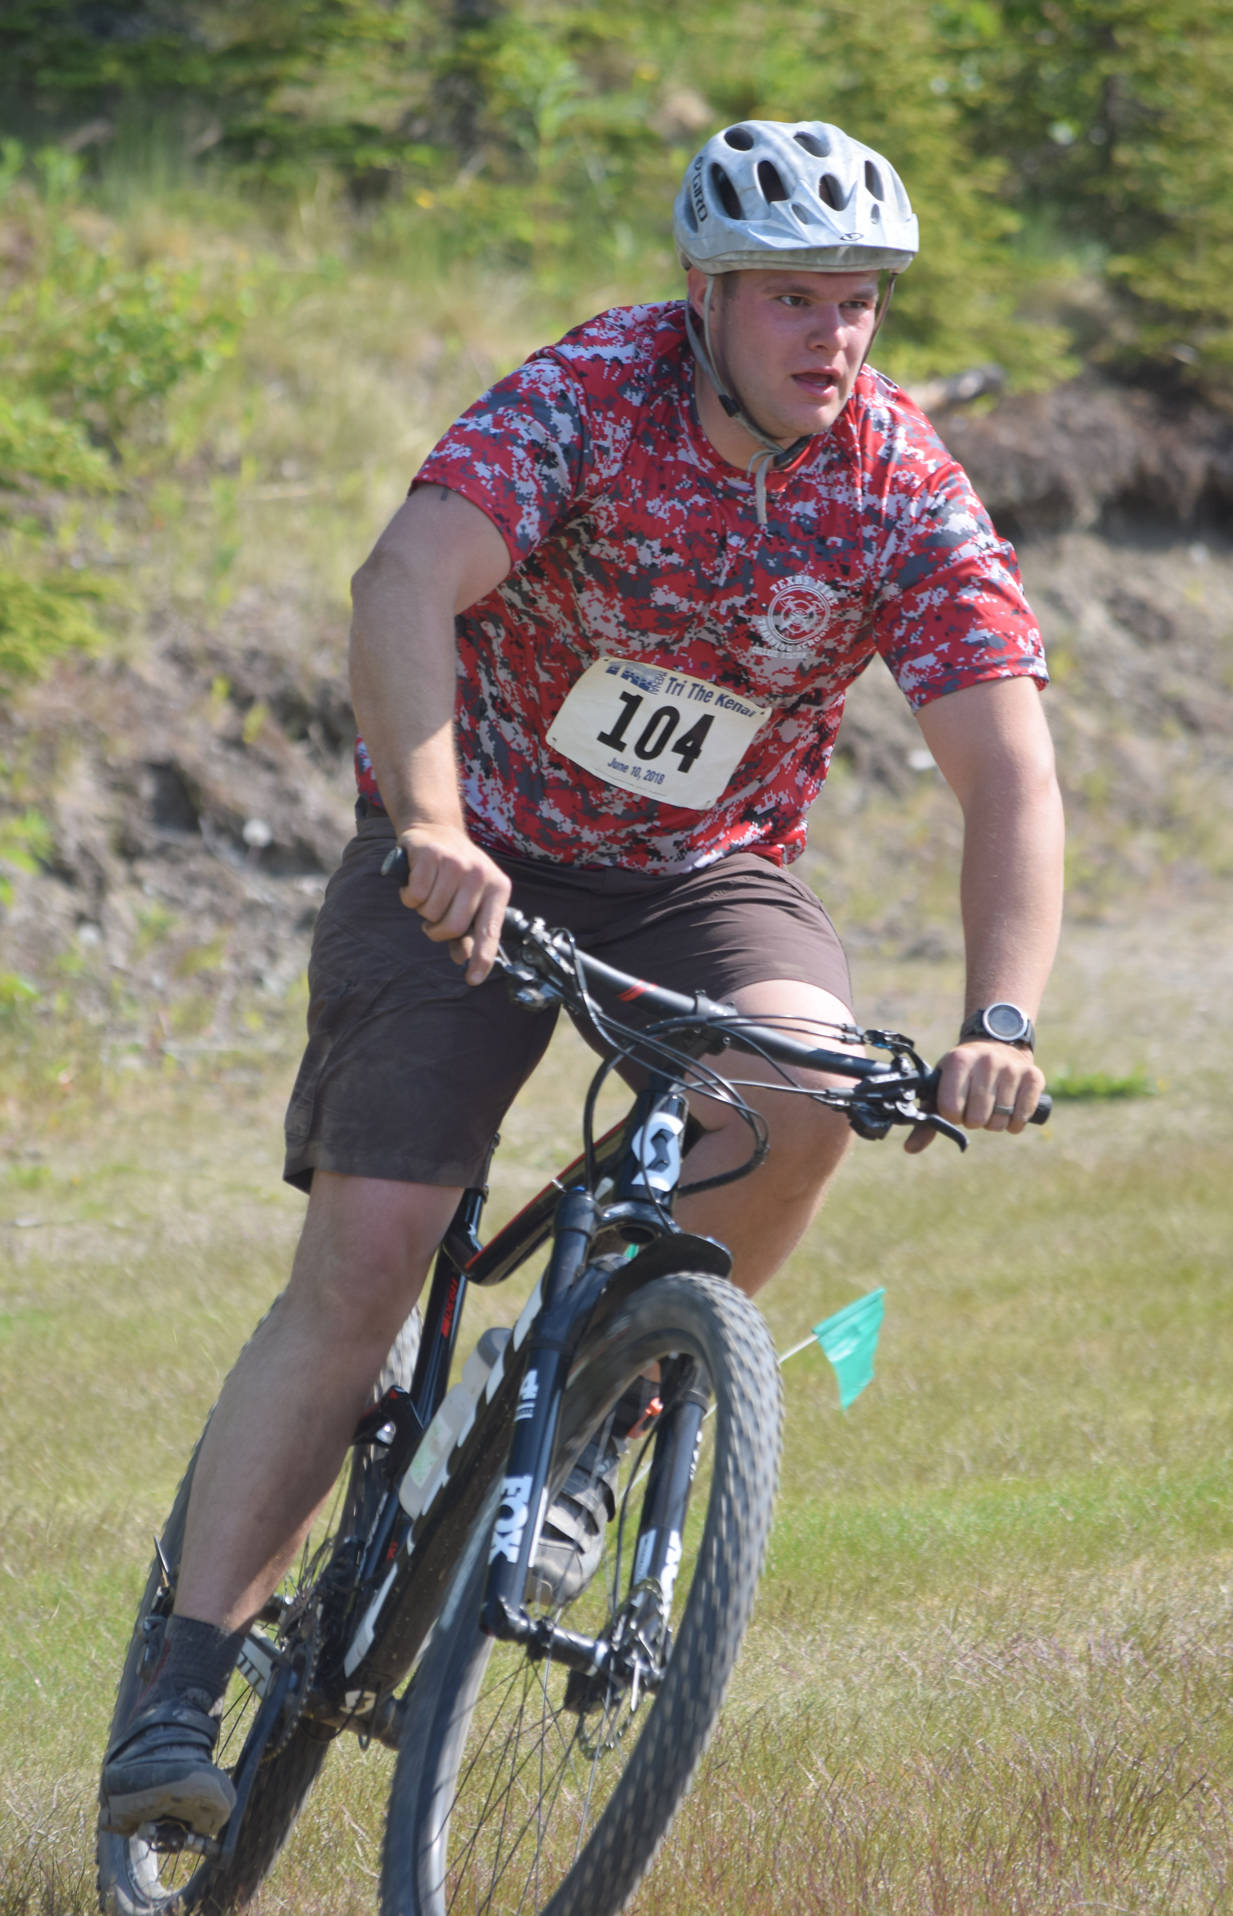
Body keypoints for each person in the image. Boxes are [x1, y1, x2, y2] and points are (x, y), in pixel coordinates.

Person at [100, 116, 1063, 1837]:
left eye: (858, 303)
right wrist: (427, 822)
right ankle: (181, 1680)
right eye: (791, 301)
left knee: (803, 1077)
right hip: (468, 850)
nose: (832, 337)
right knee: (376, 1249)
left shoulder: (897, 480)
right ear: (704, 296)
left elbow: (1006, 768)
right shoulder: (593, 398)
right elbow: (404, 578)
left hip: (701, 878)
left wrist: (999, 1019)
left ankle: (593, 1431)